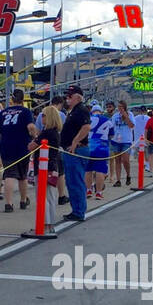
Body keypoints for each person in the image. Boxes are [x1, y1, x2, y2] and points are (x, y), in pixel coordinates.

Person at [0, 88, 37, 212]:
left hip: (6, 147)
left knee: (9, 175)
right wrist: (35, 137)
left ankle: (8, 203)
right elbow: (31, 127)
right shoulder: (25, 112)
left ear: (12, 99)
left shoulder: (3, 113)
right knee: (22, 176)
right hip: (22, 147)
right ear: (23, 99)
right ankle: (23, 200)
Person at [58, 84, 92, 220]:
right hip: (71, 150)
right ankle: (76, 209)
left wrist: (75, 141)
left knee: (75, 181)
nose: (67, 98)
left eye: (70, 96)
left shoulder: (81, 110)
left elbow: (86, 127)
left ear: (77, 97)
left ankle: (78, 211)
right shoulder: (74, 111)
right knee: (71, 181)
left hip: (76, 150)